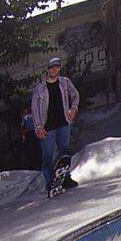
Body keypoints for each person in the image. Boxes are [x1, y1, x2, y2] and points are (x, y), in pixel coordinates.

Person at [30, 57, 80, 194]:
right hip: (48, 128)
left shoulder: (65, 83)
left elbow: (75, 95)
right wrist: (38, 127)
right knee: (48, 156)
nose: (54, 70)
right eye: (51, 67)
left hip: (63, 123)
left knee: (65, 152)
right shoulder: (39, 89)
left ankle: (66, 178)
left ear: (59, 68)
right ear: (47, 70)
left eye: (57, 67)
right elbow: (34, 110)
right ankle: (50, 183)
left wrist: (73, 109)